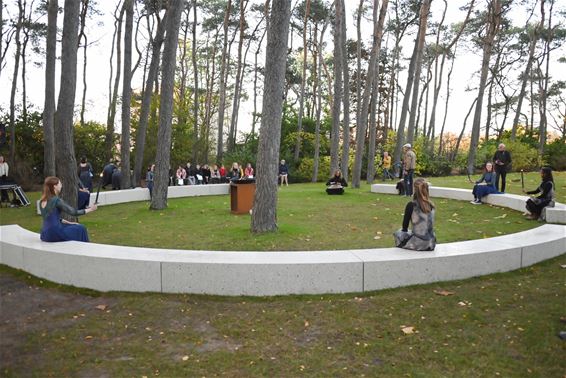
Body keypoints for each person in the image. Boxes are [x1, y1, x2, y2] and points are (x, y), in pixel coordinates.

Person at [39, 176, 97, 242]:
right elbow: (74, 212)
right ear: (55, 186)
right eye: (60, 184)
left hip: (44, 234)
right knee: (81, 228)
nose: (61, 185)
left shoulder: (42, 201)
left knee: (75, 226)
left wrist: (70, 223)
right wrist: (91, 209)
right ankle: (84, 250)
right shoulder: (56, 200)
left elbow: (50, 218)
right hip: (54, 234)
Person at [393, 178, 436, 251]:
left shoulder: (411, 205)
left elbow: (404, 228)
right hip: (431, 243)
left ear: (414, 190)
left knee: (398, 233)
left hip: (419, 244)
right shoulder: (431, 205)